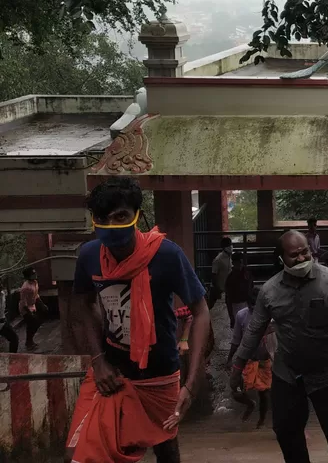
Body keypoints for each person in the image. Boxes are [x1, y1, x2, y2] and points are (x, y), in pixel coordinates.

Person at [66, 176, 210, 463]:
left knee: (166, 447)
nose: (111, 226)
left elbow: (201, 311)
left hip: (159, 373)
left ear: (137, 217)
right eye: (102, 218)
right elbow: (82, 305)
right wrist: (98, 360)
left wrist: (192, 384)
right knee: (81, 450)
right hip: (112, 371)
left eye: (121, 216)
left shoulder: (167, 255)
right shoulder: (89, 255)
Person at [230, 230, 328, 463]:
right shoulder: (269, 291)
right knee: (285, 431)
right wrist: (237, 366)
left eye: (305, 252)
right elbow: (254, 330)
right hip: (288, 373)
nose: (302, 258)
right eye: (294, 255)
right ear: (281, 259)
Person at [227, 286, 272, 427]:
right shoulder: (241, 315)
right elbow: (236, 340)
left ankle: (262, 420)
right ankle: (250, 405)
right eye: (251, 305)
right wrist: (229, 358)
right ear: (247, 303)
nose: (254, 308)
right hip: (247, 360)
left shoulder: (271, 316)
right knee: (235, 389)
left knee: (264, 393)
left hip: (265, 360)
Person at [19, 266, 46, 351]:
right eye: (33, 274)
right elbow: (23, 302)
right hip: (25, 308)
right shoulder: (25, 288)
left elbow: (36, 295)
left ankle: (30, 341)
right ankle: (28, 342)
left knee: (35, 324)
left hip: (33, 305)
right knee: (32, 324)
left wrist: (42, 304)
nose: (35, 275)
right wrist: (29, 313)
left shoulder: (35, 282)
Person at [224, 252, 253, 329]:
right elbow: (228, 299)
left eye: (241, 262)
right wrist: (231, 316)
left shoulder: (247, 274)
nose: (240, 264)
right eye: (238, 262)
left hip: (247, 304)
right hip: (236, 306)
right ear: (233, 263)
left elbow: (251, 291)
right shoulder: (231, 278)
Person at [209, 236, 233, 312]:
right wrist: (217, 289)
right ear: (224, 247)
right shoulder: (218, 260)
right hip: (217, 288)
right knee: (210, 307)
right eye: (228, 245)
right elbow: (214, 275)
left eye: (231, 244)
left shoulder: (229, 257)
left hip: (226, 287)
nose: (230, 247)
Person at [0, 283, 18, 352]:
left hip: (3, 322)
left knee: (14, 339)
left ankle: (12, 358)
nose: (1, 285)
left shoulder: (2, 294)